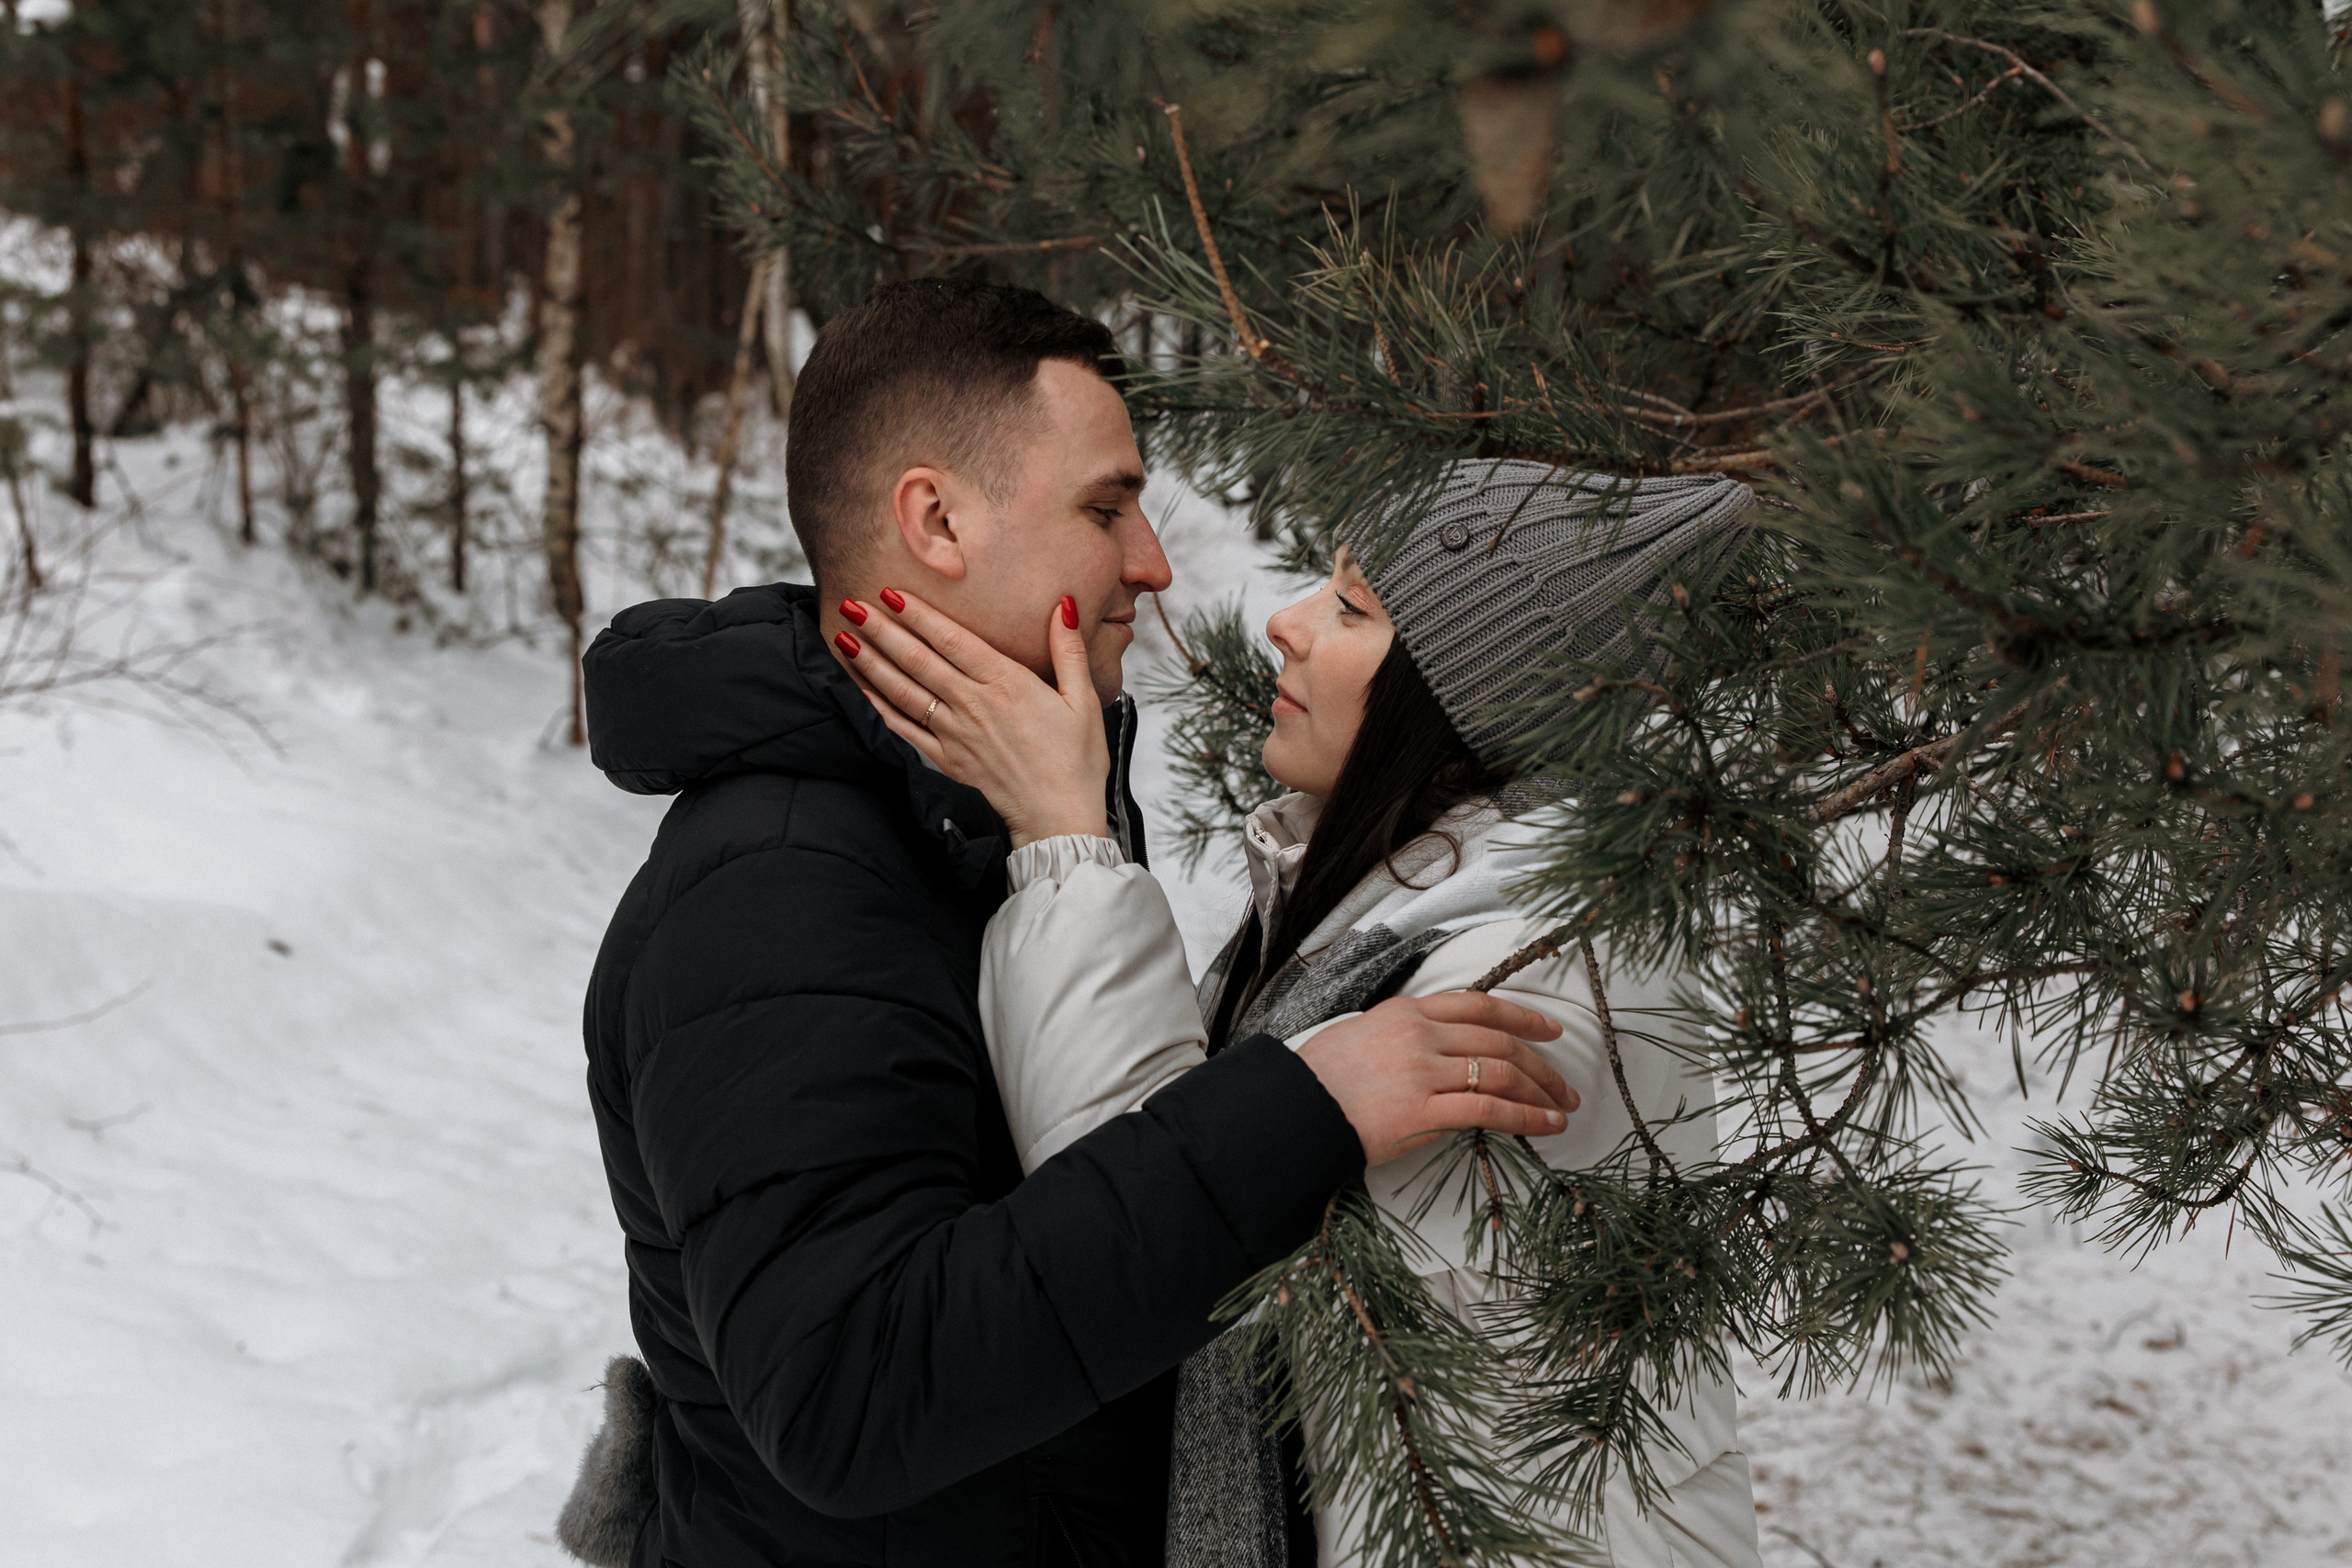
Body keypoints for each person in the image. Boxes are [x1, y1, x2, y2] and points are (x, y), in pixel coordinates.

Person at [567, 280, 1576, 1568]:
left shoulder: (982, 809)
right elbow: (852, 1397)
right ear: (934, 518)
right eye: (1107, 506)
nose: (1152, 561)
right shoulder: (778, 887)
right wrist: (1300, 1105)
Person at [842, 458, 1768, 1568]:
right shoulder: (1397, 915)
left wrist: (1061, 829)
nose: (1283, 624)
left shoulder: (1528, 984)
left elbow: (1152, 1229)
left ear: (1467, 696)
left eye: (1350, 607)